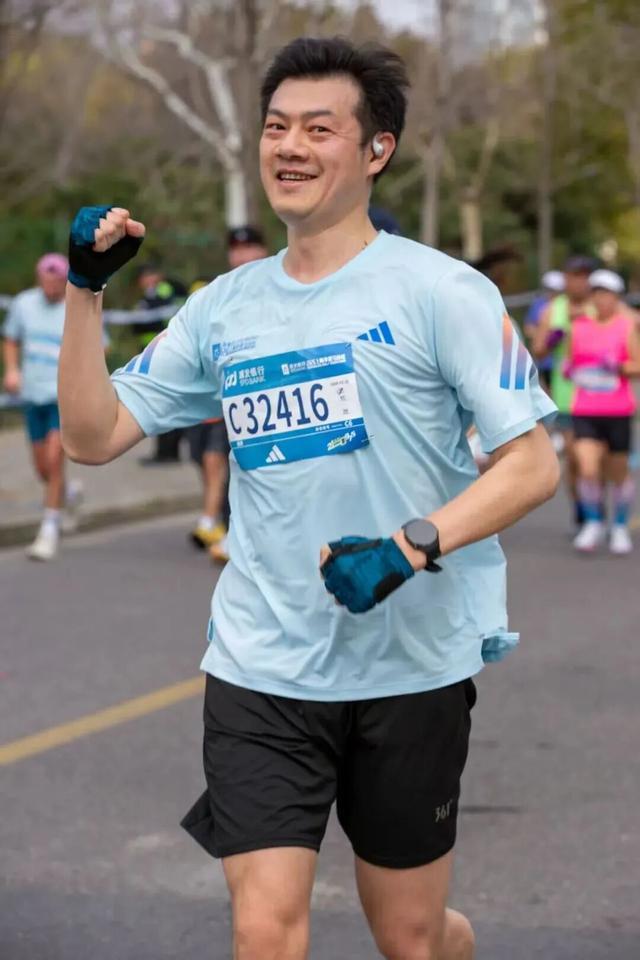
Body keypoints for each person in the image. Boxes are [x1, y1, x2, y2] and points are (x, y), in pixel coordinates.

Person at [59, 38, 559, 960]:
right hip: (262, 664)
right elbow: (93, 437)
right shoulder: (224, 307)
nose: (290, 146)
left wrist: (407, 547)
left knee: (412, 938)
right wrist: (86, 294)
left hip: (409, 667)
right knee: (264, 933)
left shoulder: (444, 292)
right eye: (276, 126)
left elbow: (532, 465)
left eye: (319, 129)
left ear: (376, 150)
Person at [188, 228, 268, 556]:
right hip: (213, 391)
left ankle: (230, 528)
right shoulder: (217, 294)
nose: (243, 255)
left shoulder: (278, 287)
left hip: (255, 392)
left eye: (251, 248)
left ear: (264, 251)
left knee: (229, 459)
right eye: (236, 249)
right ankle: (224, 522)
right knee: (202, 457)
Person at [2, 253, 83, 560]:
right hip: (33, 395)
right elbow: (11, 338)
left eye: (57, 281)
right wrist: (12, 370)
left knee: (54, 458)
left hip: (62, 397)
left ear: (64, 281)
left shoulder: (76, 305)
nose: (51, 286)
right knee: (42, 468)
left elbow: (98, 346)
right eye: (46, 280)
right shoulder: (23, 304)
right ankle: (69, 494)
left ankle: (48, 530)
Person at [567, 270, 640, 554]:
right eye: (596, 293)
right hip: (585, 408)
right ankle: (594, 522)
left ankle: (619, 526)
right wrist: (570, 370)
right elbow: (570, 362)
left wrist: (618, 366)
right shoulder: (578, 327)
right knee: (587, 467)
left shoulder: (626, 326)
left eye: (607, 294)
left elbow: (637, 365)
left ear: (616, 298)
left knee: (617, 472)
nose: (601, 299)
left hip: (617, 410)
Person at [533, 255, 598, 528]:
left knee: (597, 462)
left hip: (601, 397)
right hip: (568, 397)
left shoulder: (601, 306)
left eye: (584, 276)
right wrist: (553, 339)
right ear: (566, 279)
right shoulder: (553, 309)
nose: (579, 282)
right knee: (575, 459)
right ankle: (584, 511)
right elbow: (538, 350)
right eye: (574, 276)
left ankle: (597, 511)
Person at [133, 264, 187, 464]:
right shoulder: (149, 296)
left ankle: (168, 452)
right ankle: (164, 451)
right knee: (159, 403)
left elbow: (160, 317)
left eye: (150, 275)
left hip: (165, 354)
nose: (146, 280)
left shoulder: (162, 291)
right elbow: (138, 325)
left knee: (165, 403)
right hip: (152, 355)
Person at [523, 270, 565, 394]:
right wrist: (544, 335)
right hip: (543, 361)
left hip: (560, 362)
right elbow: (528, 328)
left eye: (555, 290)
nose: (551, 293)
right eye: (549, 289)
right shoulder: (539, 304)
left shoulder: (565, 305)